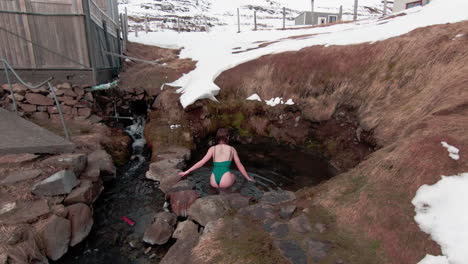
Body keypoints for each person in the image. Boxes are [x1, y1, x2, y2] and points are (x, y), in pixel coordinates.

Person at [178, 128, 255, 191]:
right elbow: (239, 166)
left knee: (214, 184)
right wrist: (248, 178)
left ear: (217, 137)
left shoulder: (213, 149)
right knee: (234, 176)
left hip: (213, 180)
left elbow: (201, 162)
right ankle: (229, 193)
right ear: (227, 137)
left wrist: (186, 172)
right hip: (226, 180)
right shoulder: (232, 149)